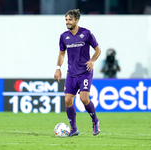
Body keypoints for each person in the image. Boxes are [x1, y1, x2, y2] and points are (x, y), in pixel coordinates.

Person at [54, 9, 101, 137]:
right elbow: (62, 53)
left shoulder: (86, 33)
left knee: (84, 98)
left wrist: (92, 61)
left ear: (76, 20)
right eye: (66, 20)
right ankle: (74, 129)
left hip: (85, 72)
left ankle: (95, 121)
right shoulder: (64, 36)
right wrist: (58, 67)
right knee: (68, 100)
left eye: (70, 20)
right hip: (71, 74)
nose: (67, 22)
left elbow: (98, 49)